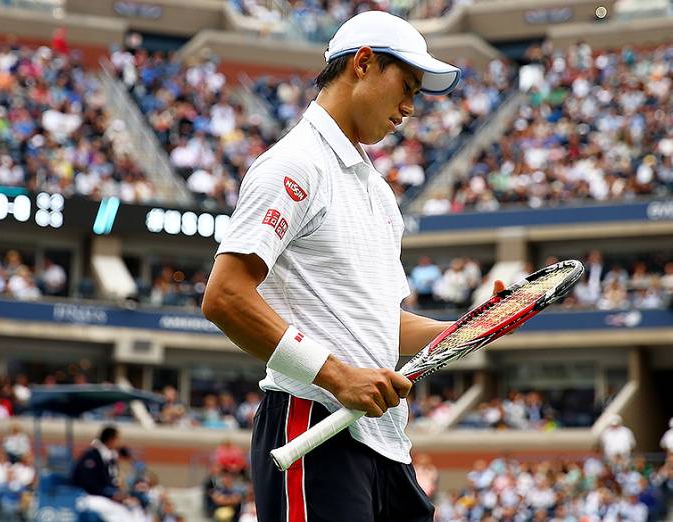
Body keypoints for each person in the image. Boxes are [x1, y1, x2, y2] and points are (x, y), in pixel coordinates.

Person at [202, 11, 506, 521]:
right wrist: (337, 375)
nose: (410, 107)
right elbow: (225, 296)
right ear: (362, 64)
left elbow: (382, 324)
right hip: (312, 425)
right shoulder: (294, 163)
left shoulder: (378, 193)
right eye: (406, 86)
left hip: (387, 444)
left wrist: (470, 328)